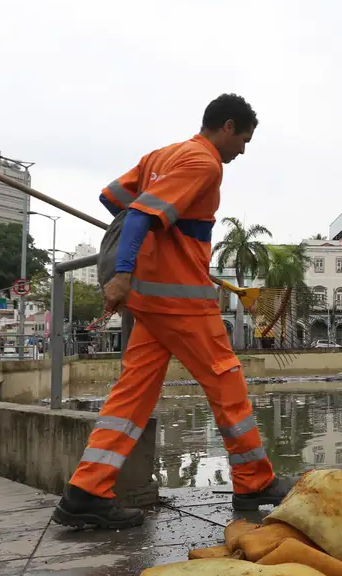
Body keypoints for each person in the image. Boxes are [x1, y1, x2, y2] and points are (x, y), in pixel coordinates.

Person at [52, 94, 295, 529]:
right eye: (244, 139)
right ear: (227, 126)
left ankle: (84, 492)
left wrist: (162, 231)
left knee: (132, 396)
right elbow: (142, 214)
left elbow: (114, 199)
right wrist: (124, 269)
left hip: (150, 303)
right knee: (225, 379)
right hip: (180, 299)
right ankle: (253, 481)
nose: (243, 149)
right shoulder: (204, 163)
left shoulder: (161, 156)